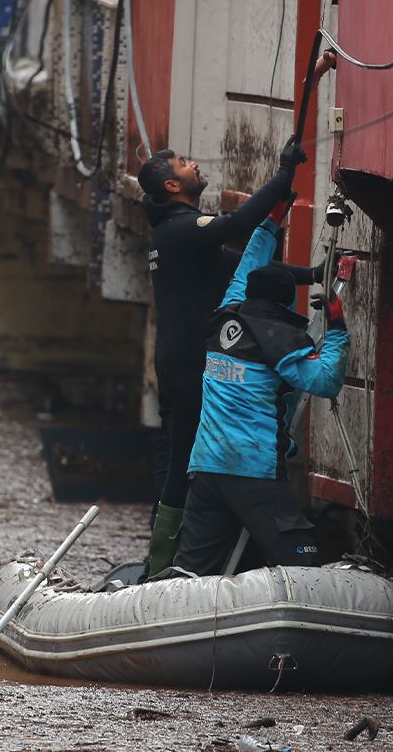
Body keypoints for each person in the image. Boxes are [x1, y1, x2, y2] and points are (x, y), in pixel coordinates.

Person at [137, 143, 320, 577]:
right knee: (183, 458)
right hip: (188, 366)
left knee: (177, 455)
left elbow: (248, 270)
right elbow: (239, 222)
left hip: (179, 361)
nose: (195, 164)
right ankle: (163, 563)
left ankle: (176, 555)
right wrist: (281, 175)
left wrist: (313, 276)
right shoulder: (181, 228)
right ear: (172, 184)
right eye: (185, 164)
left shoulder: (180, 238)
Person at [168, 207, 352, 578]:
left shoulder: (225, 317)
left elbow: (247, 267)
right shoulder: (281, 343)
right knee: (303, 559)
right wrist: (337, 325)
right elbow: (325, 381)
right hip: (253, 471)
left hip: (205, 468)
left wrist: (271, 221)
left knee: (190, 571)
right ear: (285, 305)